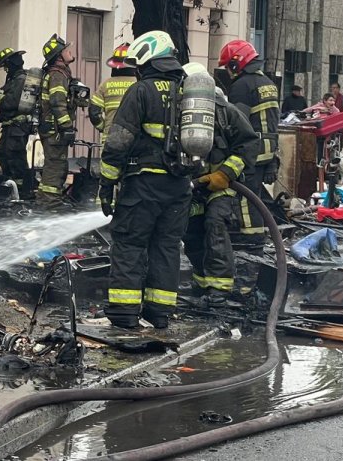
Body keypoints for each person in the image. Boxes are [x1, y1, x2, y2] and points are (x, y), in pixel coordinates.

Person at [98, 30, 191, 329]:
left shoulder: (141, 91)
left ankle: (125, 313)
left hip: (144, 184)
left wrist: (107, 183)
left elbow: (118, 142)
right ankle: (159, 312)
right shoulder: (189, 91)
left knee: (130, 243)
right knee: (166, 246)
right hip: (179, 186)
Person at [183, 62, 261, 307]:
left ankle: (220, 290)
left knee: (215, 226)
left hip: (220, 185)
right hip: (192, 185)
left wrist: (226, 173)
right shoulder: (179, 111)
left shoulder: (226, 111)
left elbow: (249, 145)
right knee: (193, 233)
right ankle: (202, 284)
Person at [217, 39, 281, 245]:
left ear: (236, 64)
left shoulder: (241, 86)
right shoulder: (269, 84)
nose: (227, 71)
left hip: (250, 152)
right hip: (267, 152)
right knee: (258, 199)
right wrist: (272, 161)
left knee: (246, 200)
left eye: (228, 66)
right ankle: (263, 235)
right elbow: (272, 123)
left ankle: (252, 243)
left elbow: (237, 123)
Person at [0, 47, 37, 198]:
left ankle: (22, 191)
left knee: (14, 157)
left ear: (11, 64)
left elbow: (11, 103)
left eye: (6, 66)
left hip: (18, 127)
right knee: (3, 152)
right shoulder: (15, 79)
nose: (6, 70)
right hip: (12, 126)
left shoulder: (20, 80)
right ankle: (11, 186)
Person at [37, 33, 76, 206]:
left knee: (54, 164)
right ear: (59, 55)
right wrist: (67, 126)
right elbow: (57, 102)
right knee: (55, 166)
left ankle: (47, 200)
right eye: (66, 49)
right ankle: (50, 204)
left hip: (51, 128)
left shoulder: (57, 73)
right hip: (54, 130)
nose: (69, 51)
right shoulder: (58, 74)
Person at [89, 43, 137, 144]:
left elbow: (94, 113)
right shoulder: (139, 84)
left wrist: (104, 128)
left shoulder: (105, 85)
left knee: (107, 160)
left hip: (110, 138)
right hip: (135, 140)